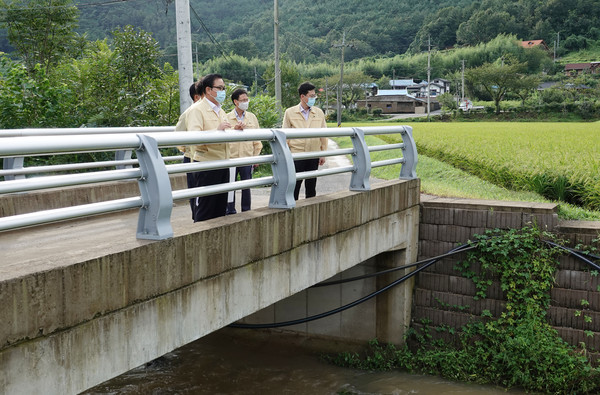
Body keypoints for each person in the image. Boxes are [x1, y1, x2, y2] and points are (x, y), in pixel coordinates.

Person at [184, 73, 235, 222]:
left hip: (222, 163)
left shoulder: (220, 110)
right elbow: (194, 138)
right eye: (219, 88)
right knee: (206, 209)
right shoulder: (197, 110)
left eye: (224, 88)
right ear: (208, 90)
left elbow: (224, 133)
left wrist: (234, 130)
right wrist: (217, 131)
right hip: (206, 165)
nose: (222, 91)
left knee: (220, 209)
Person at [283, 81, 328, 200]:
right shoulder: (290, 112)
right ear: (302, 97)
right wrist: (286, 155)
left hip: (313, 153)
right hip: (296, 154)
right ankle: (293, 208)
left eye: (314, 96)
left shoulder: (318, 112)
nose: (314, 98)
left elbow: (324, 134)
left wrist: (323, 153)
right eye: (311, 96)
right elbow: (285, 135)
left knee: (311, 185)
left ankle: (310, 209)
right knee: (295, 184)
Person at [225, 89, 263, 214]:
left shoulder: (251, 117)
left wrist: (256, 157)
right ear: (235, 102)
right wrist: (234, 130)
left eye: (247, 100)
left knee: (246, 186)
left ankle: (246, 210)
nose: (246, 102)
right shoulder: (226, 117)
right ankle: (230, 210)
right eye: (243, 100)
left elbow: (257, 139)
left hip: (247, 157)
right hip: (231, 158)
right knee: (231, 186)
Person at [175, 78, 204, 218]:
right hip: (192, 158)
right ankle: (196, 218)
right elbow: (178, 135)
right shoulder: (189, 113)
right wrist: (187, 150)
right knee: (195, 192)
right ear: (197, 97)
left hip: (206, 158)